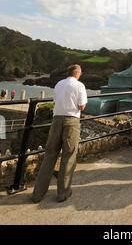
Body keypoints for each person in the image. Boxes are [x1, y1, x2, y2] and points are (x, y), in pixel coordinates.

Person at [32, 64, 87, 203]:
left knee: (50, 155)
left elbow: (55, 102)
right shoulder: (79, 85)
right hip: (71, 121)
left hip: (56, 120)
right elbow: (81, 106)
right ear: (77, 73)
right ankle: (63, 193)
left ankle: (37, 194)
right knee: (68, 156)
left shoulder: (58, 84)